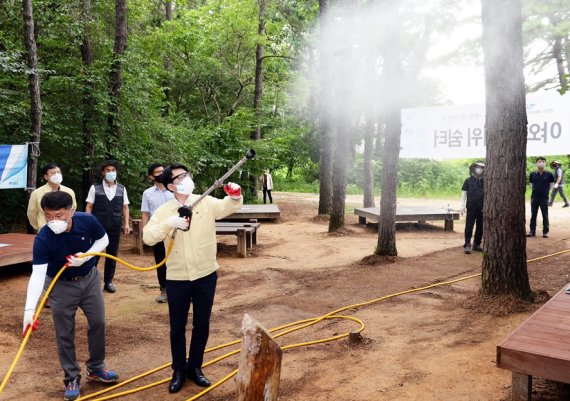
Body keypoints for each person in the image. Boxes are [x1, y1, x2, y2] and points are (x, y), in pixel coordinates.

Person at [142, 163, 242, 394]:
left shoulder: (205, 201)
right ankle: (178, 370)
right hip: (176, 278)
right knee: (177, 327)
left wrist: (235, 195)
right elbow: (148, 237)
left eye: (186, 175)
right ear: (170, 185)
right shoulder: (165, 211)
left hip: (205, 274)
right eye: (179, 177)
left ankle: (195, 367)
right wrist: (170, 223)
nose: (185, 179)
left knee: (202, 324)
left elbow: (227, 207)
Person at [22, 191, 119, 401]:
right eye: (49, 216)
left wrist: (85, 258)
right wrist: (29, 310)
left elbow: (103, 240)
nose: (54, 221)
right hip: (60, 285)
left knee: (98, 322)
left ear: (72, 212)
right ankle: (71, 377)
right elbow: (38, 274)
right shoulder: (43, 238)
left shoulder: (87, 221)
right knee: (64, 331)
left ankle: (96, 368)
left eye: (59, 215)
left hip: (89, 278)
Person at [85, 160, 130, 293]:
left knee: (112, 254)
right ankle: (90, 281)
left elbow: (125, 207)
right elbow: (89, 206)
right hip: (97, 226)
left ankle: (108, 282)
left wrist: (126, 223)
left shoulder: (122, 189)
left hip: (115, 226)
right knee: (94, 253)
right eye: (108, 170)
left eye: (113, 170)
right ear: (103, 173)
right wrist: (88, 223)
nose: (111, 173)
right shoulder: (95, 187)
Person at [141, 163, 174, 303]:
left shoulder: (174, 190)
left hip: (175, 231)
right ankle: (164, 289)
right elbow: (145, 214)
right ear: (151, 176)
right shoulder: (147, 193)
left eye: (163, 171)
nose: (161, 174)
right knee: (160, 261)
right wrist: (145, 232)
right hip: (158, 232)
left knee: (177, 260)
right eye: (157, 172)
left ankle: (183, 291)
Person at [27, 163, 77, 232]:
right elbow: (32, 213)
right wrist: (39, 226)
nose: (57, 175)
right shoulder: (36, 193)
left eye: (58, 172)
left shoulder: (69, 191)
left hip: (66, 230)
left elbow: (73, 209)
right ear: (46, 177)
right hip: (45, 230)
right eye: (53, 173)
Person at [460, 161, 485, 254]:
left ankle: (477, 244)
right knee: (469, 226)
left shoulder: (486, 181)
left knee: (480, 226)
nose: (480, 169)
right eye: (478, 167)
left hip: (482, 207)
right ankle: (467, 244)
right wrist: (462, 206)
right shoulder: (468, 180)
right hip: (471, 207)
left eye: (482, 168)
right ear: (474, 169)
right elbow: (464, 193)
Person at [528, 157, 555, 238]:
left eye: (543, 162)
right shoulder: (532, 174)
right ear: (536, 163)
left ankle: (545, 232)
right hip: (534, 197)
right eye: (539, 162)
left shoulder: (549, 174)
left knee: (545, 215)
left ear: (545, 163)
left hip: (544, 198)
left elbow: (551, 185)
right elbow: (531, 185)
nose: (541, 163)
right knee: (533, 215)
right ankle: (532, 231)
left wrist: (545, 191)